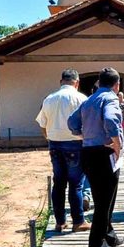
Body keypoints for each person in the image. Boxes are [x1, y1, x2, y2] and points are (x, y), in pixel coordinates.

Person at [68, 67, 124, 247]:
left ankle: (109, 235)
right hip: (104, 153)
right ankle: (96, 244)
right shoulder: (110, 98)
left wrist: (84, 135)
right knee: (104, 202)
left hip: (88, 152)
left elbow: (71, 122)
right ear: (117, 85)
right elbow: (110, 120)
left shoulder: (89, 100)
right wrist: (116, 144)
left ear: (99, 83)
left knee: (105, 197)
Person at [35, 69, 91, 233]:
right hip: (75, 144)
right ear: (77, 82)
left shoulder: (49, 99)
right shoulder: (82, 98)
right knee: (76, 185)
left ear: (61, 82)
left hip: (55, 144)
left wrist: (50, 139)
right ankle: (78, 221)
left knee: (59, 183)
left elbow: (42, 124)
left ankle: (60, 222)